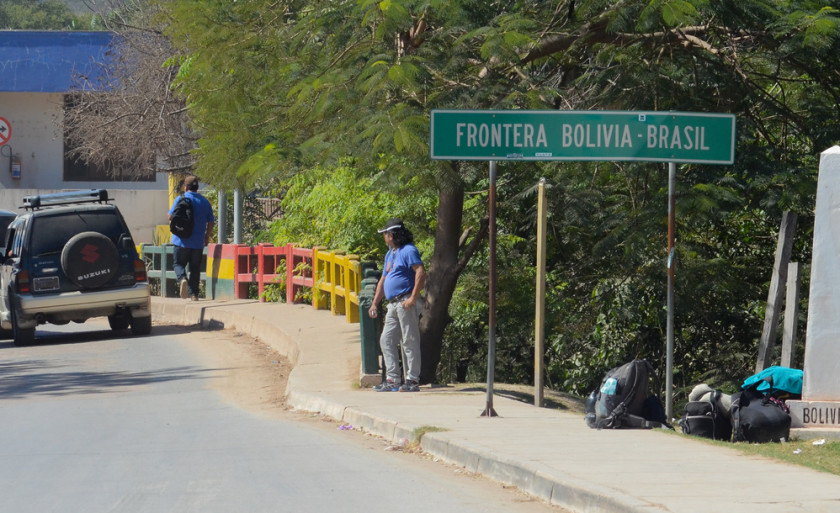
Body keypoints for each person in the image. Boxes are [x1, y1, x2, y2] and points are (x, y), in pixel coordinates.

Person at [368, 218, 426, 392]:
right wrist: (374, 303)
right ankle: (393, 379)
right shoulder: (390, 254)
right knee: (386, 339)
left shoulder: (409, 251)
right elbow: (383, 280)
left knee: (409, 340)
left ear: (391, 235)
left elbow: (421, 272)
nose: (384, 237)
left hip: (405, 302)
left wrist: (413, 298)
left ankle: (412, 380)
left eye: (385, 234)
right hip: (392, 304)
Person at [168, 175, 215, 301]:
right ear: (197, 188)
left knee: (178, 264)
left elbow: (170, 216)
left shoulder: (180, 199)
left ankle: (182, 279)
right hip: (198, 243)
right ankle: (194, 294)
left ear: (185, 187)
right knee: (195, 269)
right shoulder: (205, 202)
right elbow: (211, 222)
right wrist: (207, 236)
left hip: (180, 241)